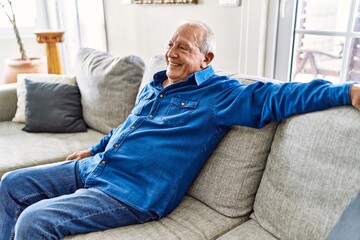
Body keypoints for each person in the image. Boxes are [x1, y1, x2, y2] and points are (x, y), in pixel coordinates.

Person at [1, 20, 360, 239]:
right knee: (10, 185)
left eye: (183, 47)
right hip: (97, 166)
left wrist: (346, 90)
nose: (171, 52)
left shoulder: (220, 95)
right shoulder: (157, 83)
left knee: (35, 221)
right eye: (171, 44)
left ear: (206, 59)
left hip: (130, 193)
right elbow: (129, 125)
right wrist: (95, 150)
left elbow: (280, 96)